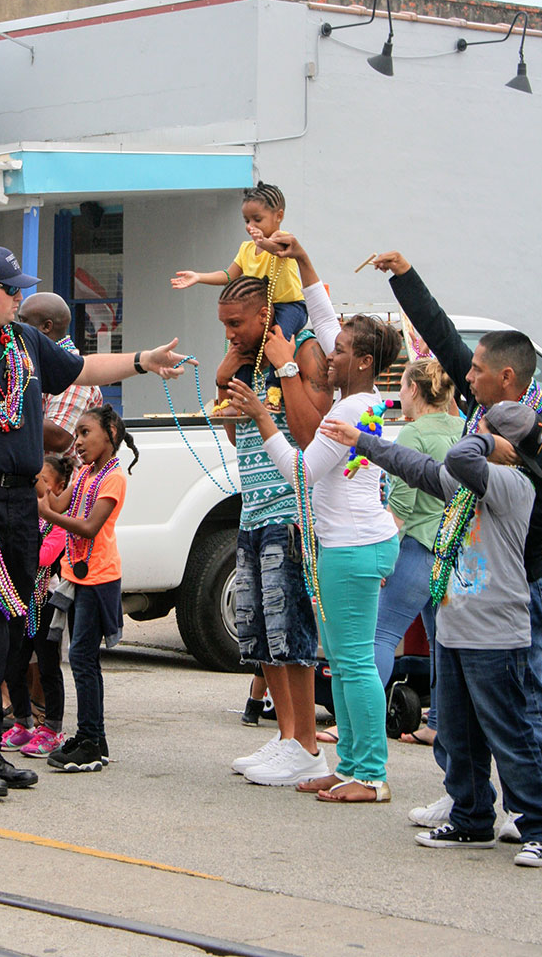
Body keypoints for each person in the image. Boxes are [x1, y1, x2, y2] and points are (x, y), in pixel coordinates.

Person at [0, 244, 193, 800]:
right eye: (11, 289)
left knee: (12, 626)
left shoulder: (23, 342)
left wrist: (143, 360)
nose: (18, 297)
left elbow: (82, 368)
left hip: (19, 502)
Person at [323, 401, 542, 866]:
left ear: (501, 444)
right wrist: (362, 440)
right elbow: (419, 468)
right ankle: (471, 819)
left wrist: (485, 441)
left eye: (481, 426)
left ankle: (540, 826)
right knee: (459, 735)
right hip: (456, 627)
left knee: (510, 733)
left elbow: (458, 457)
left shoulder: (512, 484)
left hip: (495, 633)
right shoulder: (467, 487)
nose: (472, 428)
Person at [373, 250, 542, 837]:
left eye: (476, 371)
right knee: (455, 704)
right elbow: (442, 335)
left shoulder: (532, 435)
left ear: (506, 378)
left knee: (523, 706)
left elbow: (522, 502)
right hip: (463, 583)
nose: (464, 378)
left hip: (519, 586)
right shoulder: (486, 418)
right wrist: (404, 277)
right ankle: (466, 804)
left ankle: (534, 813)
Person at [228, 237, 402, 803]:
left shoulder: (354, 409)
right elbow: (325, 317)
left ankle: (369, 774)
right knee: (344, 665)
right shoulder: (359, 393)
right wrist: (302, 259)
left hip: (353, 545)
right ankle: (349, 763)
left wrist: (266, 410)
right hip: (348, 542)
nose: (329, 354)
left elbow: (301, 472)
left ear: (364, 362)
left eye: (341, 350)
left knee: (352, 665)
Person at [215, 274, 332, 787]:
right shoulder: (247, 361)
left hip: (290, 511)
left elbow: (313, 434)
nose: (229, 334)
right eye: (223, 325)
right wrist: (224, 378)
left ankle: (308, 746)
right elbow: (235, 434)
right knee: (264, 636)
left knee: (293, 633)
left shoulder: (302, 350)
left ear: (265, 315)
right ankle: (287, 737)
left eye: (235, 323)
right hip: (253, 511)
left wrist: (286, 368)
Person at [317, 358, 462, 747]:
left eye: (400, 386)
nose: (398, 394)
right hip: (454, 550)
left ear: (413, 390)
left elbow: (400, 507)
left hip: (417, 547)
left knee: (379, 635)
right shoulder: (462, 427)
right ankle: (439, 724)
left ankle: (355, 722)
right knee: (443, 641)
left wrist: (383, 555)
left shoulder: (413, 434)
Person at [38, 405, 137, 772]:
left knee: (81, 657)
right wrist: (32, 471)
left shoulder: (114, 478)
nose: (77, 441)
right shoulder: (84, 473)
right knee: (82, 658)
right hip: (78, 577)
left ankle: (90, 740)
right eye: (76, 434)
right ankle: (94, 738)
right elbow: (56, 501)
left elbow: (89, 526)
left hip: (99, 579)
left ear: (110, 433)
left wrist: (50, 516)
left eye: (85, 433)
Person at [173, 182, 307, 390]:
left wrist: (263, 242)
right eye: (246, 220)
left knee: (277, 340)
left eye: (257, 219)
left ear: (278, 216)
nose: (250, 226)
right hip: (262, 311)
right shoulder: (246, 249)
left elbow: (278, 249)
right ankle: (240, 390)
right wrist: (198, 277)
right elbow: (228, 275)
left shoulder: (282, 240)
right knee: (243, 348)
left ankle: (274, 391)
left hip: (288, 307)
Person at [1, 454, 71, 757]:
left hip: (46, 603)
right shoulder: (26, 516)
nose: (35, 485)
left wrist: (18, 544)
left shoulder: (59, 525)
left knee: (47, 666)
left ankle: (52, 728)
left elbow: (43, 557)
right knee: (14, 664)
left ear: (59, 487)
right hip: (21, 602)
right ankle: (23, 721)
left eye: (41, 480)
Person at [16, 292, 104, 457]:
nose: (18, 328)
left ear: (46, 327)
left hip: (61, 473)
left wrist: (1, 415)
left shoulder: (69, 371)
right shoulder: (38, 364)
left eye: (23, 321)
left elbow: (59, 437)